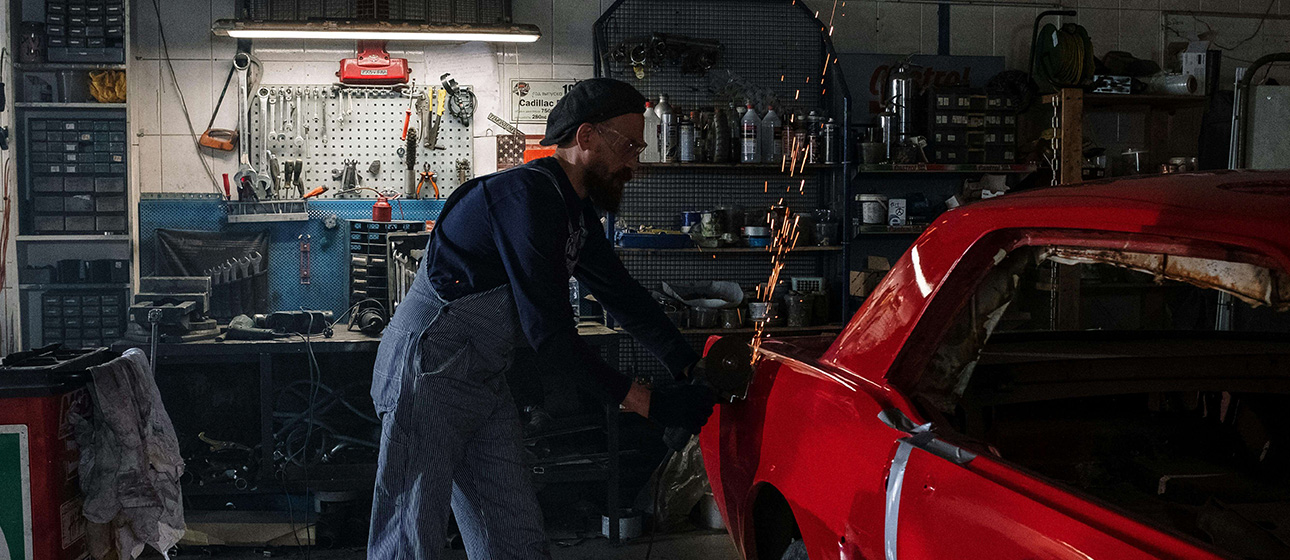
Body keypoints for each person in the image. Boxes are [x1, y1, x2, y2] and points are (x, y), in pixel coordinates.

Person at [368, 78, 717, 559]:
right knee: (409, 541)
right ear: (587, 137)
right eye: (630, 146)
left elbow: (623, 296)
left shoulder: (573, 211)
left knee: (513, 535)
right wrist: (648, 403)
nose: (635, 164)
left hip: (480, 378)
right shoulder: (525, 198)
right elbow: (550, 336)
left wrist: (688, 364)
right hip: (425, 375)